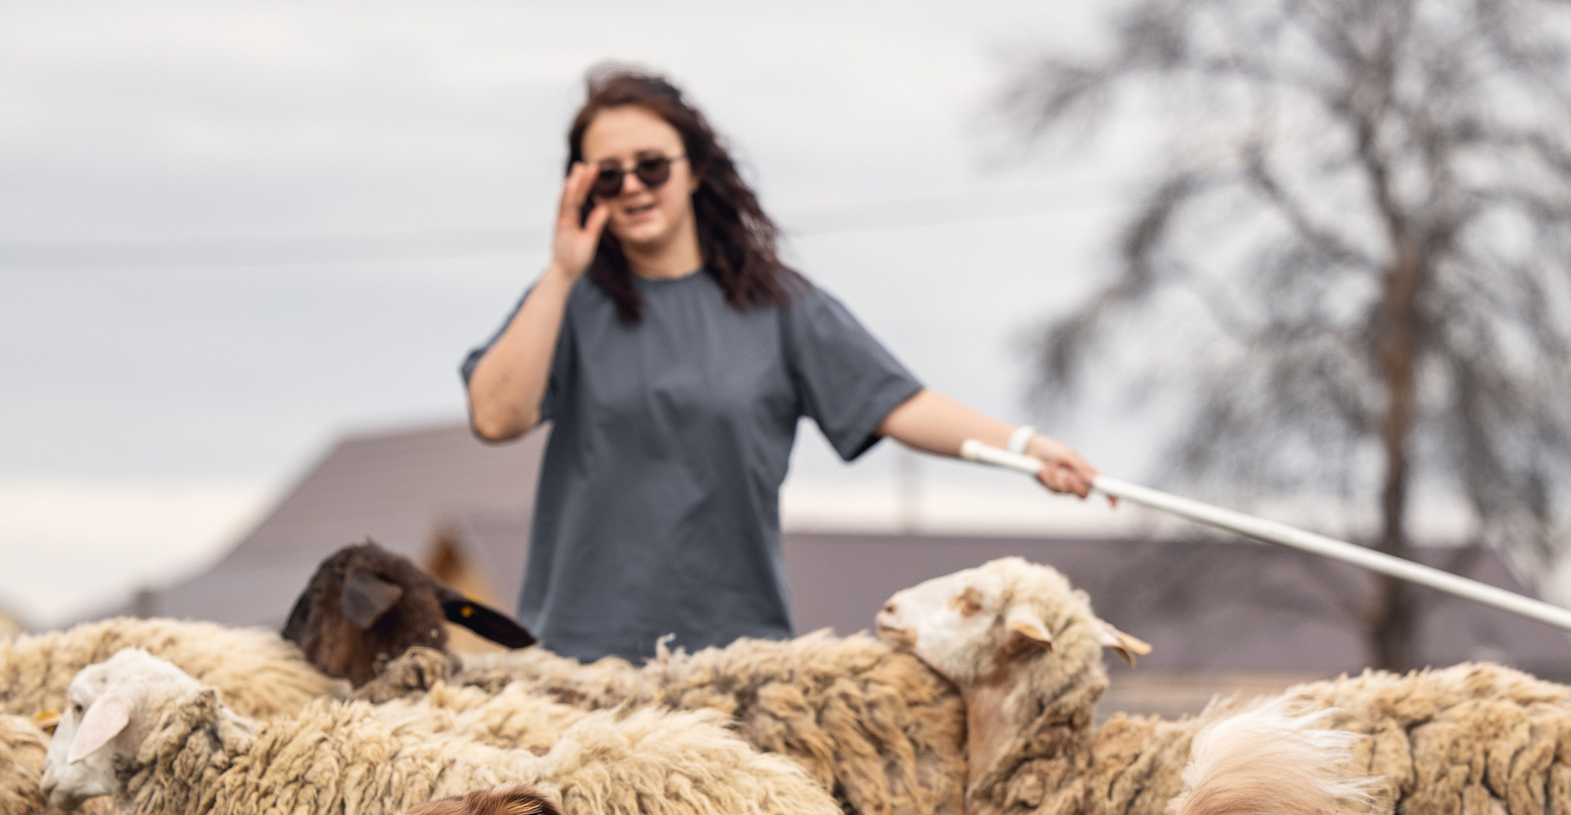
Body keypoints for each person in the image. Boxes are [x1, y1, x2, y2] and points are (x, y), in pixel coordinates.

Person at [464, 67, 1098, 663]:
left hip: (733, 660)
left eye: (652, 166)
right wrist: (563, 268)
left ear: (694, 170)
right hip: (577, 660)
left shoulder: (781, 308)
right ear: (583, 187)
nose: (632, 185)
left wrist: (1026, 447)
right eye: (608, 174)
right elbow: (495, 416)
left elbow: (899, 402)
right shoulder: (568, 305)